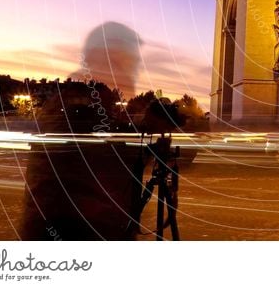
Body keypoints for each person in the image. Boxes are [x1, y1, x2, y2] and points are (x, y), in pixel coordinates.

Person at [19, 22, 181, 240]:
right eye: (128, 63)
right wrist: (150, 128)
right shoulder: (75, 106)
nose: (132, 72)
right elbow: (101, 156)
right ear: (102, 58)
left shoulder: (76, 103)